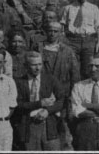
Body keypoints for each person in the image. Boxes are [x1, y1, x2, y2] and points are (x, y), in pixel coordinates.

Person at [34, 21, 80, 150]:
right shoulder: (38, 47)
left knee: (62, 131)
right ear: (45, 32)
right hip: (41, 96)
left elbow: (75, 77)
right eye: (50, 31)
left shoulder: (68, 51)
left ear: (60, 33)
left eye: (56, 31)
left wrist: (71, 99)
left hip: (62, 98)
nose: (52, 34)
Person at [13, 51, 64, 151]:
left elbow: (61, 100)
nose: (37, 68)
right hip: (28, 126)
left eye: (40, 64)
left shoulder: (50, 79)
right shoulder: (19, 82)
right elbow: (17, 105)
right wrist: (39, 103)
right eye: (33, 65)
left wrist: (47, 111)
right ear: (26, 66)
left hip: (49, 126)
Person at [61, 0, 99, 79]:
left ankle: (86, 92)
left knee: (88, 69)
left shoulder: (94, 8)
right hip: (72, 41)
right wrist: (63, 42)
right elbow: (62, 26)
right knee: (72, 68)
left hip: (88, 41)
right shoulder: (68, 8)